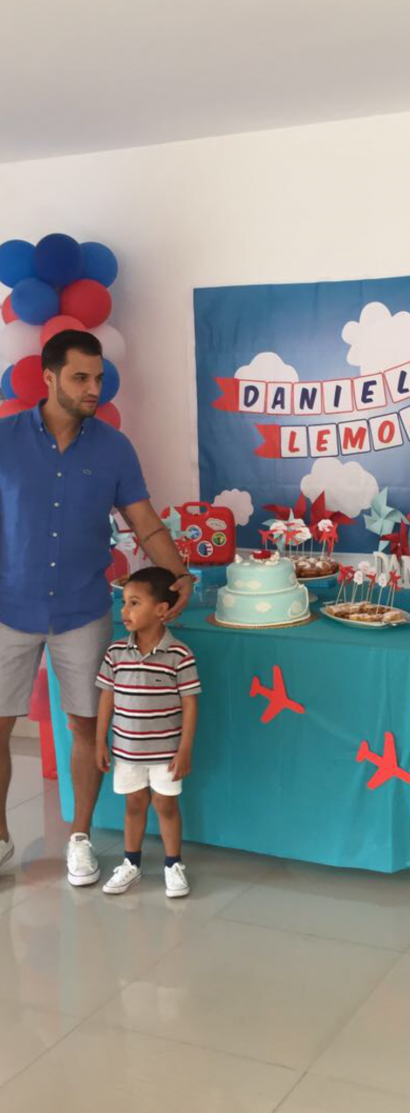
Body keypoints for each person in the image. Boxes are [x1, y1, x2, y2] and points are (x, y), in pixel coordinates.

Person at [0, 330, 194, 886]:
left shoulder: (114, 447)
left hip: (83, 609)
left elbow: (145, 522)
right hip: (8, 606)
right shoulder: (5, 438)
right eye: (81, 377)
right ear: (49, 377)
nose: (94, 388)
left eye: (99, 378)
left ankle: (80, 839)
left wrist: (179, 573)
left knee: (87, 726)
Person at [95, 567, 200, 898]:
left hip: (166, 754)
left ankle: (173, 864)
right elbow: (106, 698)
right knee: (134, 805)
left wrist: (185, 749)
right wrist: (100, 741)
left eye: (134, 603)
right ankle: (132, 863)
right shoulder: (115, 652)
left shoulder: (179, 654)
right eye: (124, 602)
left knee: (166, 806)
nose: (125, 610)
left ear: (161, 609)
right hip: (127, 752)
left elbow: (190, 705)